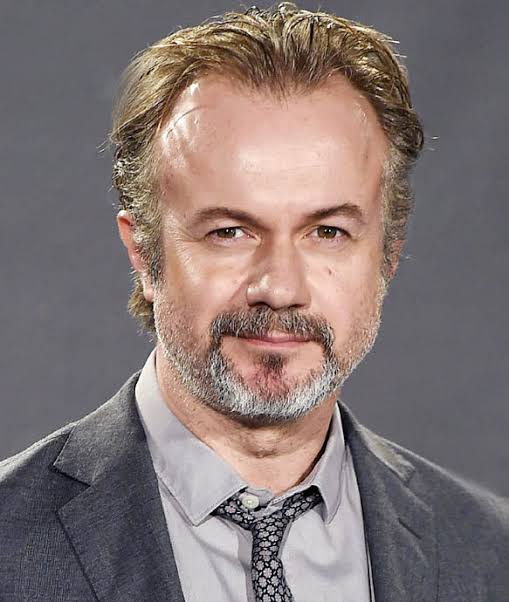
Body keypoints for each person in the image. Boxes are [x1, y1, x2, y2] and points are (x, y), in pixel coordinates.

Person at [1, 3, 507, 601]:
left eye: (328, 232)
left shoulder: (487, 554)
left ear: (388, 254)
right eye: (230, 232)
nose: (281, 287)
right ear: (143, 251)